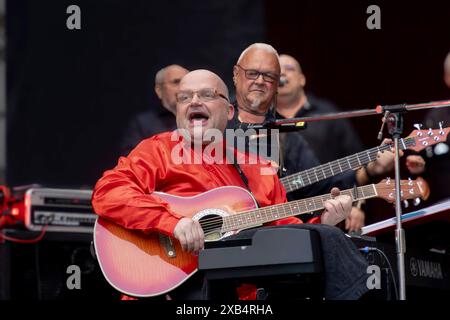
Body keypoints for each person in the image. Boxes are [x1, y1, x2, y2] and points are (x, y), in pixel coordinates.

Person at [92, 70, 356, 300]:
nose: (194, 101)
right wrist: (172, 223)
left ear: (229, 111)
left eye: (206, 95)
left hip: (243, 295)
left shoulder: (256, 167)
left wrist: (324, 222)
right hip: (171, 287)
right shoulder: (157, 149)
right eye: (184, 97)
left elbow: (284, 233)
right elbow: (108, 192)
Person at [230, 44, 396, 232]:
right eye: (252, 73)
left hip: (277, 237)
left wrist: (371, 169)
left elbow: (320, 184)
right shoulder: (217, 122)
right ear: (236, 74)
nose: (260, 81)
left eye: (268, 76)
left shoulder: (286, 135)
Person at [119, 64, 189, 155]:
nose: (182, 88)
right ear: (159, 90)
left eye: (186, 83)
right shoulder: (142, 123)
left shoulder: (203, 120)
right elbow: (132, 160)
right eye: (176, 82)